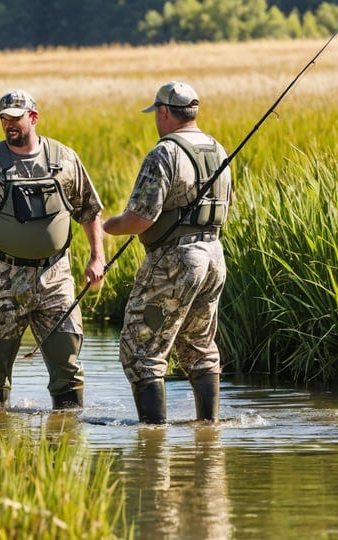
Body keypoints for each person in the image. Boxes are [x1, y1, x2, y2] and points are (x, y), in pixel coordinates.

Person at [0, 89, 106, 410]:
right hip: (4, 280)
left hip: (56, 279)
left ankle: (65, 437)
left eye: (15, 118)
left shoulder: (65, 160)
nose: (9, 125)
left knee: (67, 366)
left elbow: (89, 211)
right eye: (4, 120)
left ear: (33, 118)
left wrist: (98, 257)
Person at [103, 81, 232, 424]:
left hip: (175, 260)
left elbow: (140, 218)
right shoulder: (218, 149)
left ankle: (152, 436)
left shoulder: (165, 152)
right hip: (214, 255)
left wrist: (108, 226)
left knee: (140, 350)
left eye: (155, 115)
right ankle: (209, 428)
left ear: (163, 112)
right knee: (199, 347)